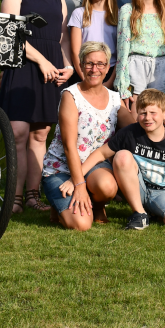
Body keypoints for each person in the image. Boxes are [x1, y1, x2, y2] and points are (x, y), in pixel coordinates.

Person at [0, 0, 74, 213]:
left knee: (40, 135)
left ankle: (32, 197)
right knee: (17, 133)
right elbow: (10, 35)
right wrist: (41, 60)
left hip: (50, 70)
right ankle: (14, 200)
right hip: (22, 67)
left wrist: (69, 66)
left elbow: (62, 39)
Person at [80, 88, 165, 230]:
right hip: (137, 188)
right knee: (122, 155)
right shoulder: (130, 133)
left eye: (153, 113)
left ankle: (154, 212)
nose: (148, 118)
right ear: (137, 114)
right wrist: (77, 179)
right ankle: (140, 213)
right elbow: (101, 153)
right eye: (143, 113)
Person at [40, 42, 122, 230]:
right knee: (82, 224)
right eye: (89, 64)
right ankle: (57, 203)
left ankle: (97, 205)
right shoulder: (70, 95)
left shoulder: (115, 99)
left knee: (108, 186)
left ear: (108, 66)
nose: (95, 69)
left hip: (94, 167)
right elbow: (69, 146)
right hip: (61, 168)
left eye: (100, 64)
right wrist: (79, 185)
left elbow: (137, 126)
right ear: (81, 65)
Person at [69, 0, 118, 87]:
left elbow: (121, 53)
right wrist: (84, 78)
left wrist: (110, 82)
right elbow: (75, 51)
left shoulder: (119, 15)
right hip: (85, 71)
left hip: (110, 72)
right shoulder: (79, 14)